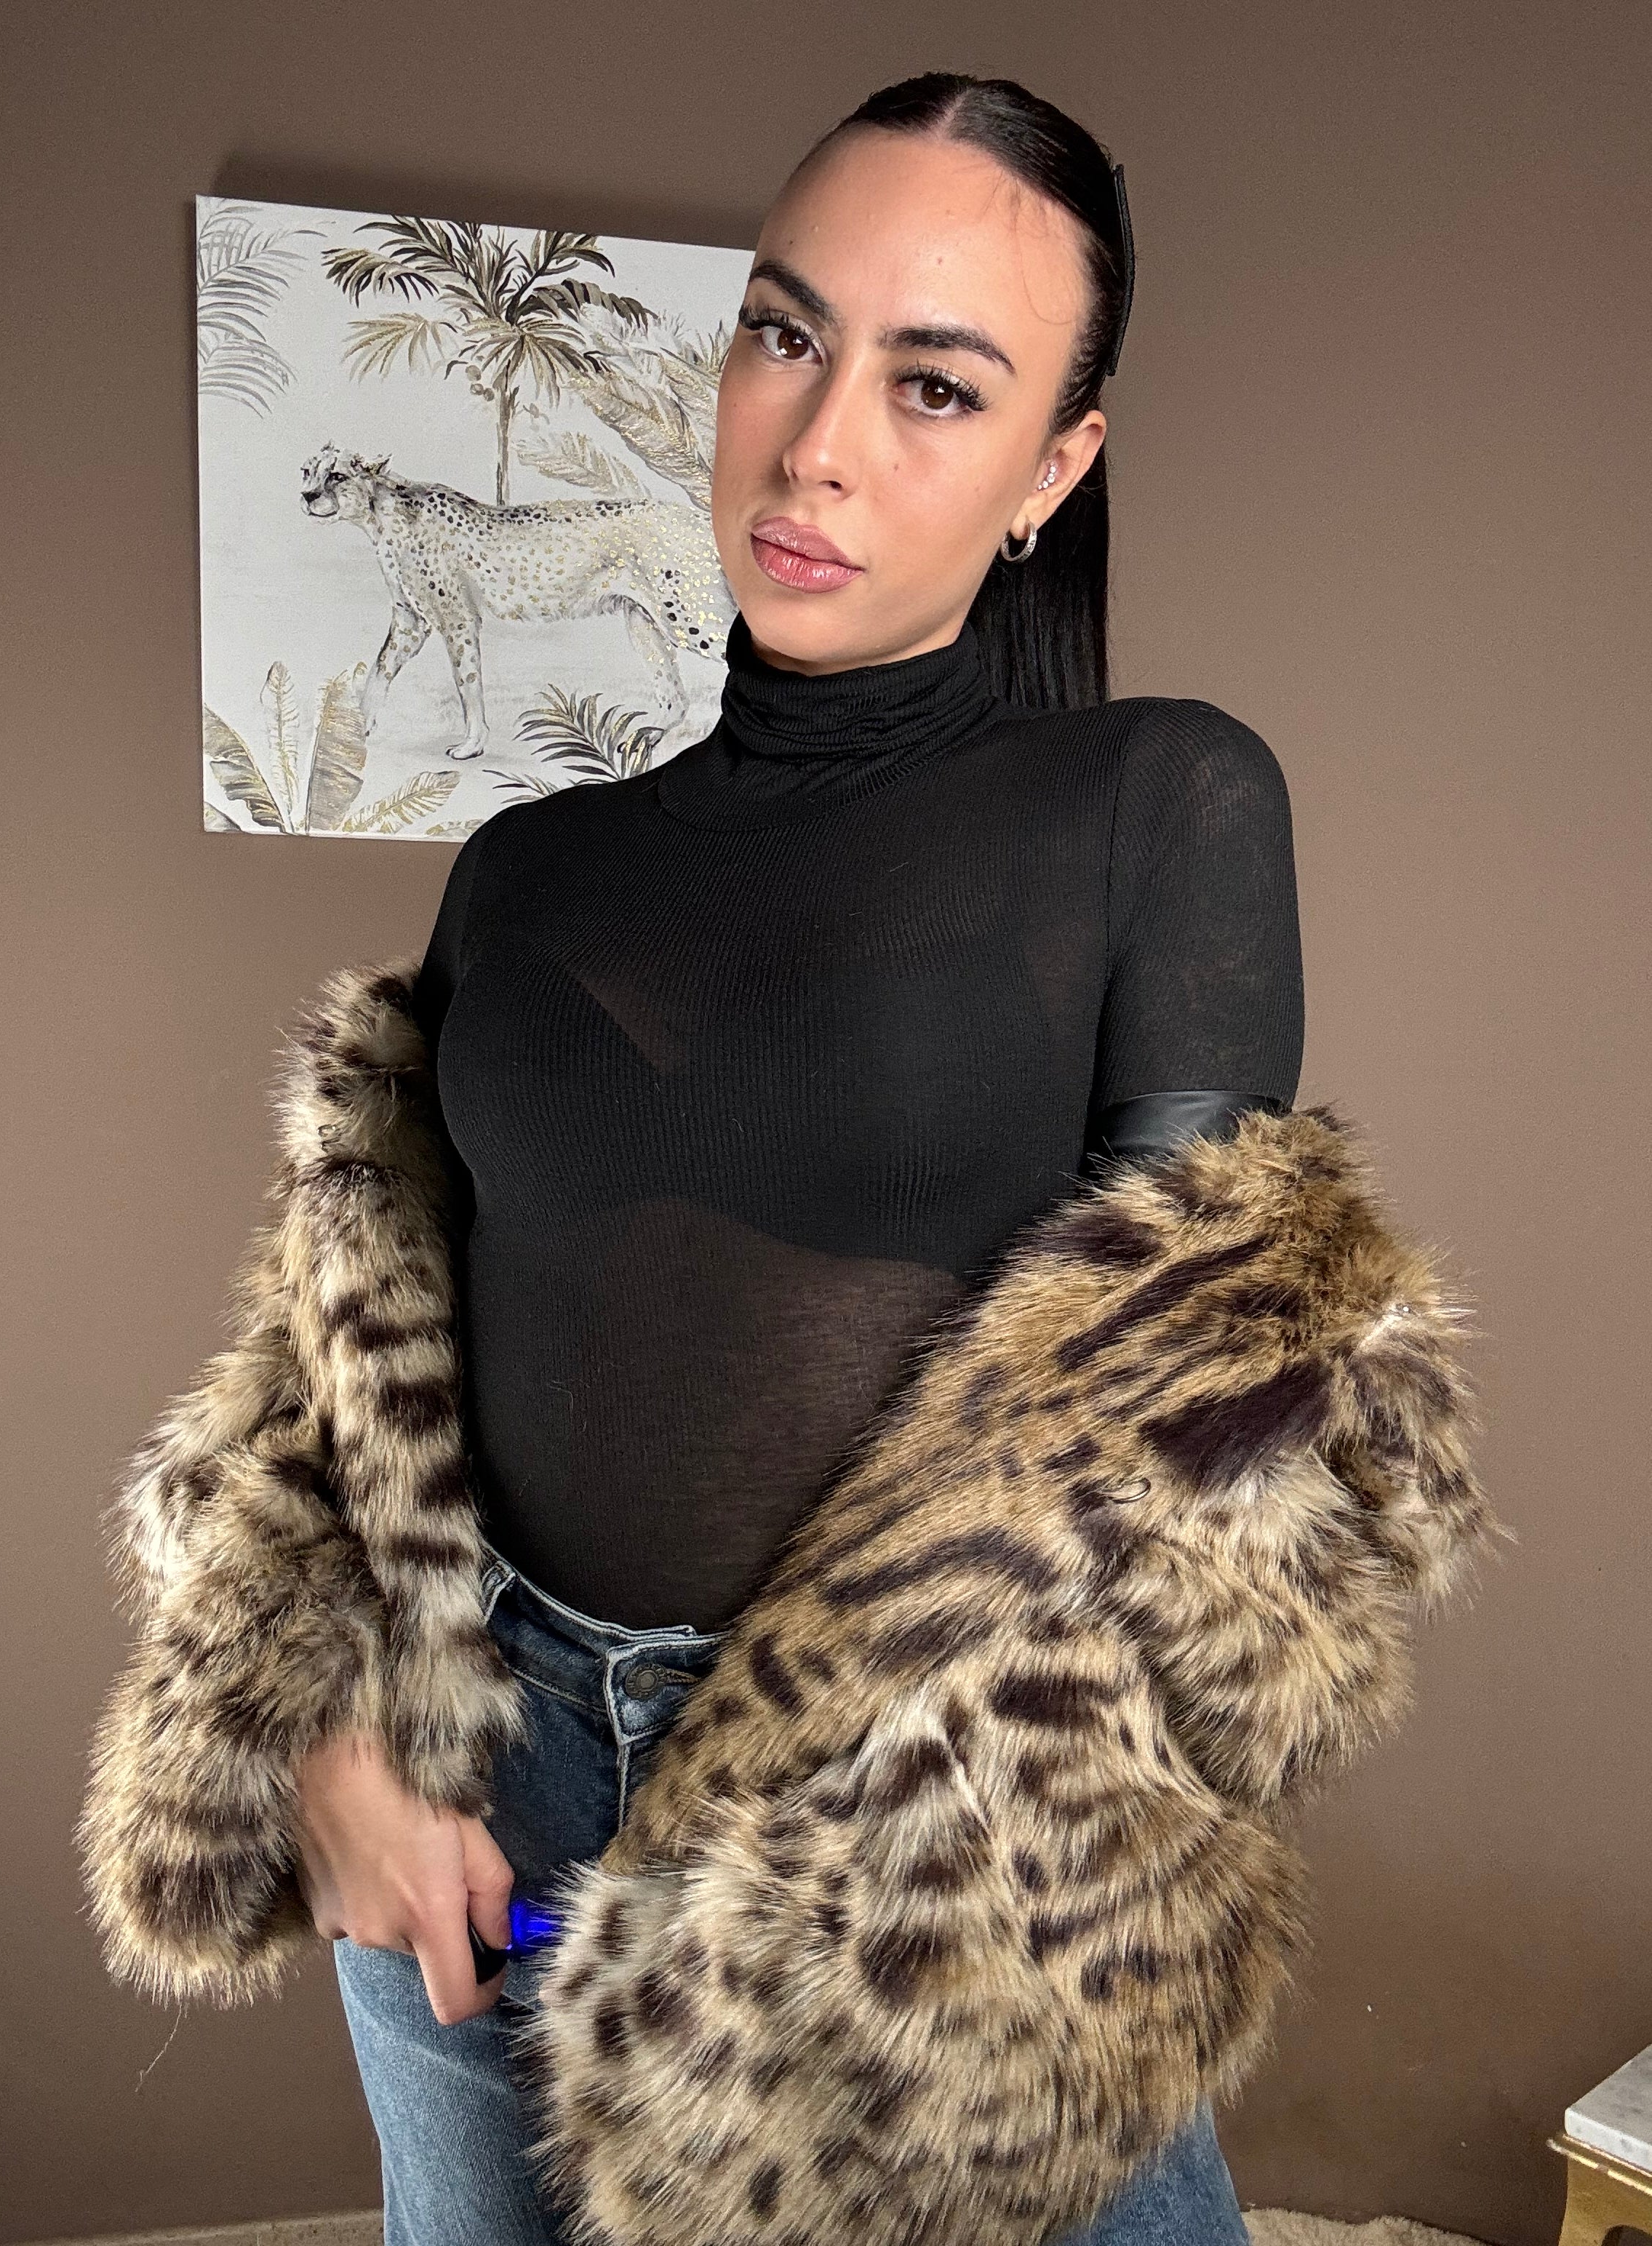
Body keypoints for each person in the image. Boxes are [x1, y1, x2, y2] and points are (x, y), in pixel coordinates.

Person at [293, 70, 1303, 2245]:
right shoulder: (527, 866)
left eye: (936, 386)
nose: (817, 442)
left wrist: (872, 1854)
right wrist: (336, 1720)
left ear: (1055, 468)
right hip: (482, 1784)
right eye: (784, 334)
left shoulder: (1160, 805)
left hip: (938, 1836)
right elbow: (351, 1356)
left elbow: (1186, 1431)